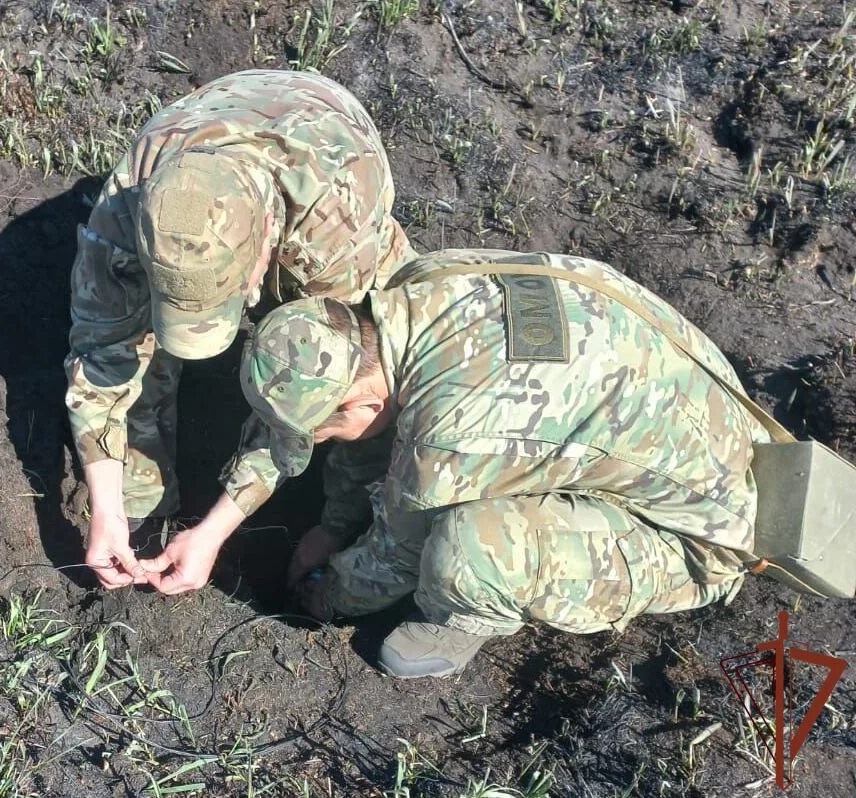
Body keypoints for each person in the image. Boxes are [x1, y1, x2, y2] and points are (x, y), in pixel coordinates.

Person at [238, 248, 771, 678]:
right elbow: (379, 436)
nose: (327, 444)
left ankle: (468, 618)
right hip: (709, 417)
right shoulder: (424, 283)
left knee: (466, 550)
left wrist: (324, 591)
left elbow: (390, 564)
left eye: (323, 433)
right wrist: (333, 526)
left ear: (361, 403)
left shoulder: (449, 436)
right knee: (453, 475)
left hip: (706, 532)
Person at [65, 69, 415, 593]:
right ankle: (142, 503)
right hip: (211, 128)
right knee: (136, 355)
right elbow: (101, 353)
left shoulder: (337, 231)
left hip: (329, 138)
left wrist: (216, 529)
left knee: (368, 387)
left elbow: (305, 401)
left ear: (265, 248)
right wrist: (106, 506)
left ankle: (349, 513)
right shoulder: (129, 207)